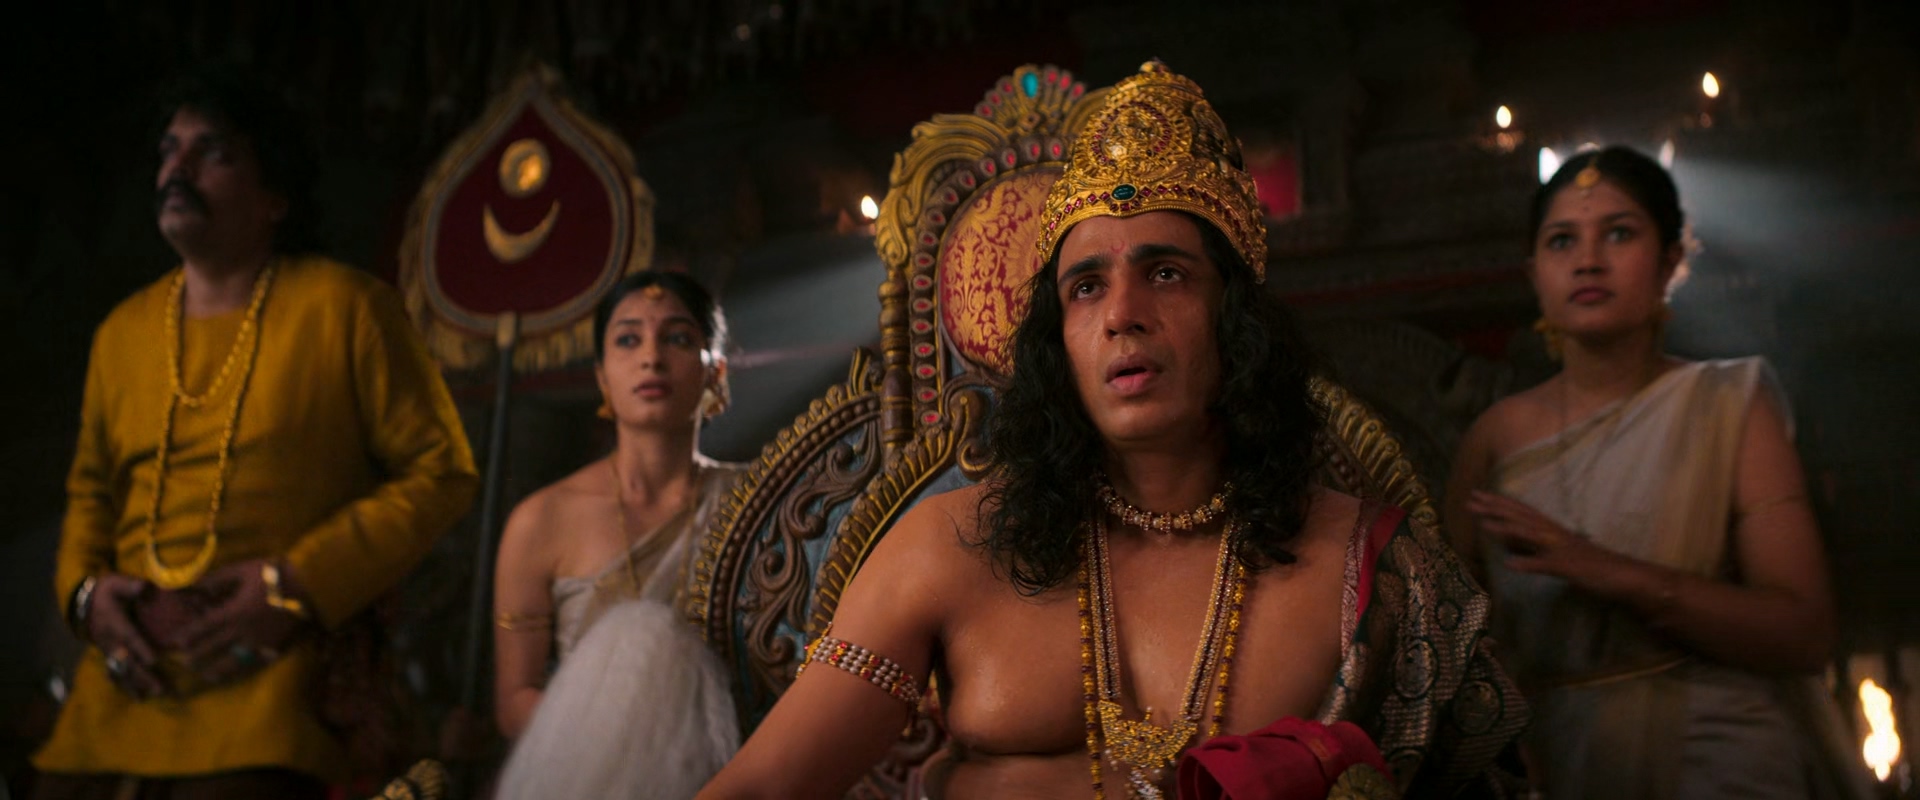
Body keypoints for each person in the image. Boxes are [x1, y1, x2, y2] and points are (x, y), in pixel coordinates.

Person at [700, 62, 1524, 800]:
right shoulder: (947, 549)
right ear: (1056, 341)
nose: (1124, 314)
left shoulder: (1369, 565)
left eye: (1165, 273)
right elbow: (761, 789)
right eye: (1086, 287)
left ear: (1235, 320)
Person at [33, 65, 479, 799]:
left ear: (276, 197)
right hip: (114, 698)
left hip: (271, 700)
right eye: (169, 150)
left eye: (212, 152)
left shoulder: (346, 309)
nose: (177, 169)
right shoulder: (122, 333)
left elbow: (443, 474)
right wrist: (87, 599)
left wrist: (296, 585)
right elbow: (90, 497)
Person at [1444, 146, 1872, 800]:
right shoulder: (1494, 438)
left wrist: (1604, 569)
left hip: (1722, 758)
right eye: (1562, 241)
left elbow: (1803, 634)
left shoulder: (1730, 403)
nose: (1589, 260)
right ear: (1534, 273)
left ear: (1671, 261)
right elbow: (1449, 648)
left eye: (1619, 233)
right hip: (1556, 764)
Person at [488, 271, 745, 799]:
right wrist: (632, 750)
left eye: (677, 338)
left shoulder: (760, 500)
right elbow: (515, 699)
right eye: (628, 339)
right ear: (602, 376)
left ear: (715, 372)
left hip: (737, 776)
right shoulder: (542, 521)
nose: (651, 357)